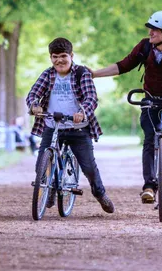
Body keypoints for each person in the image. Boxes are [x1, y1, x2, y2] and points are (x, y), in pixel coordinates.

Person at [90, 11, 162, 204]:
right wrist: (95, 74)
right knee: (149, 137)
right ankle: (149, 186)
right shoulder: (145, 46)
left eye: (155, 30)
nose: (150, 33)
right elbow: (123, 66)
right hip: (151, 96)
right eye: (150, 29)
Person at [26, 37, 115, 213]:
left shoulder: (82, 73)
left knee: (88, 167)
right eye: (54, 56)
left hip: (78, 128)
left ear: (71, 55)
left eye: (63, 56)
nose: (59, 60)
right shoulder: (48, 74)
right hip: (52, 126)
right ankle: (50, 189)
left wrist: (82, 113)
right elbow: (33, 93)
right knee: (40, 168)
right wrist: (34, 105)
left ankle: (100, 193)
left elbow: (91, 98)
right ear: (50, 57)